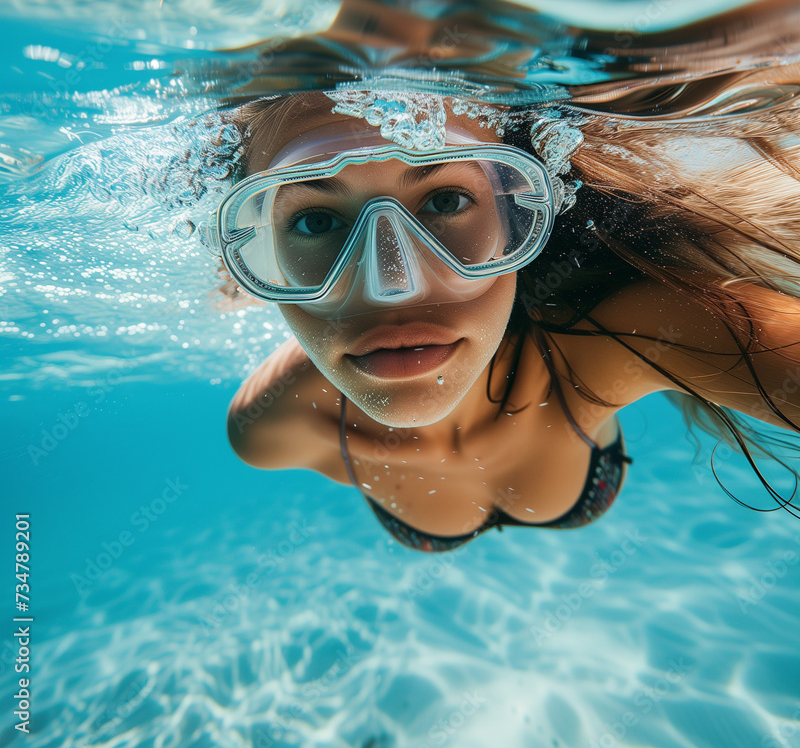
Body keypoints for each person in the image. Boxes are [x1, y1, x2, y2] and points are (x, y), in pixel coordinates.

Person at [212, 87, 800, 552]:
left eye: (445, 201)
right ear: (259, 251)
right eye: (315, 222)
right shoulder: (267, 427)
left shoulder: (608, 337)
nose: (394, 285)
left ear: (520, 215)